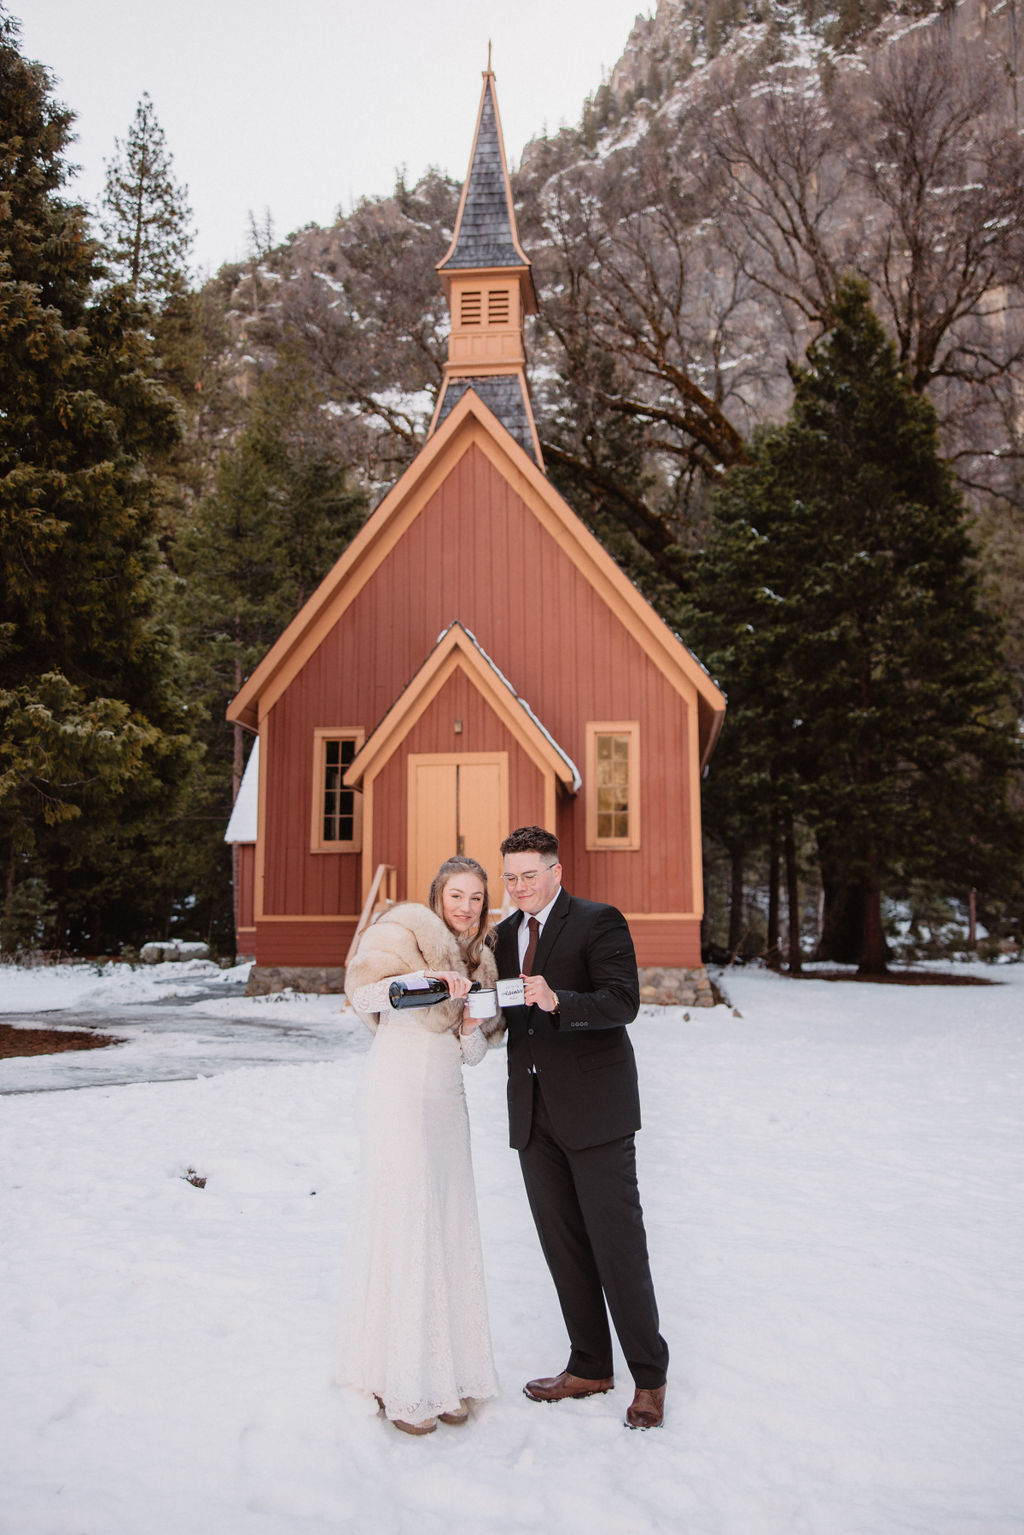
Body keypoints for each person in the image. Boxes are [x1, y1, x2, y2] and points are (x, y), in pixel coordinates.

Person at [493, 825, 669, 1430]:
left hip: (596, 1111)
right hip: (533, 1113)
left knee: (618, 1248)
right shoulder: (502, 935)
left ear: (556, 871)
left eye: (529, 875)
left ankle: (649, 1378)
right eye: (510, 877)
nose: (519, 887)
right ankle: (590, 1364)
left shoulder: (599, 920)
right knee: (563, 1247)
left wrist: (559, 999)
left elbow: (624, 1002)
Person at [338, 855, 504, 1436]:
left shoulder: (483, 960)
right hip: (398, 1088)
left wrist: (466, 1024)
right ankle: (402, 1383)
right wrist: (429, 985)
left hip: (444, 1099)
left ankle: (445, 1374)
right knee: (408, 1220)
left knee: (447, 1220)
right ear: (438, 897)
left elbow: (477, 1053)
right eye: (457, 896)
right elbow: (362, 998)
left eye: (476, 898)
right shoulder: (402, 930)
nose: (466, 907)